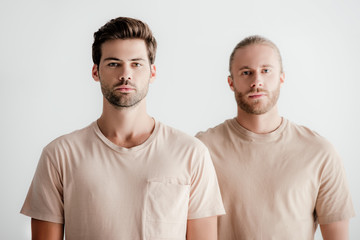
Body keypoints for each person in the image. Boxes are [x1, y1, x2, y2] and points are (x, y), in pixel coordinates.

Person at [21, 17, 225, 240]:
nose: (125, 74)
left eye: (136, 64)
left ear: (152, 72)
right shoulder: (60, 155)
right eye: (113, 63)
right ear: (95, 72)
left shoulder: (191, 153)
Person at [196, 35, 355, 239]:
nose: (257, 81)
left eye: (266, 71)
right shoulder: (203, 149)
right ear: (231, 82)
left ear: (281, 77)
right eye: (246, 72)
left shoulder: (320, 152)